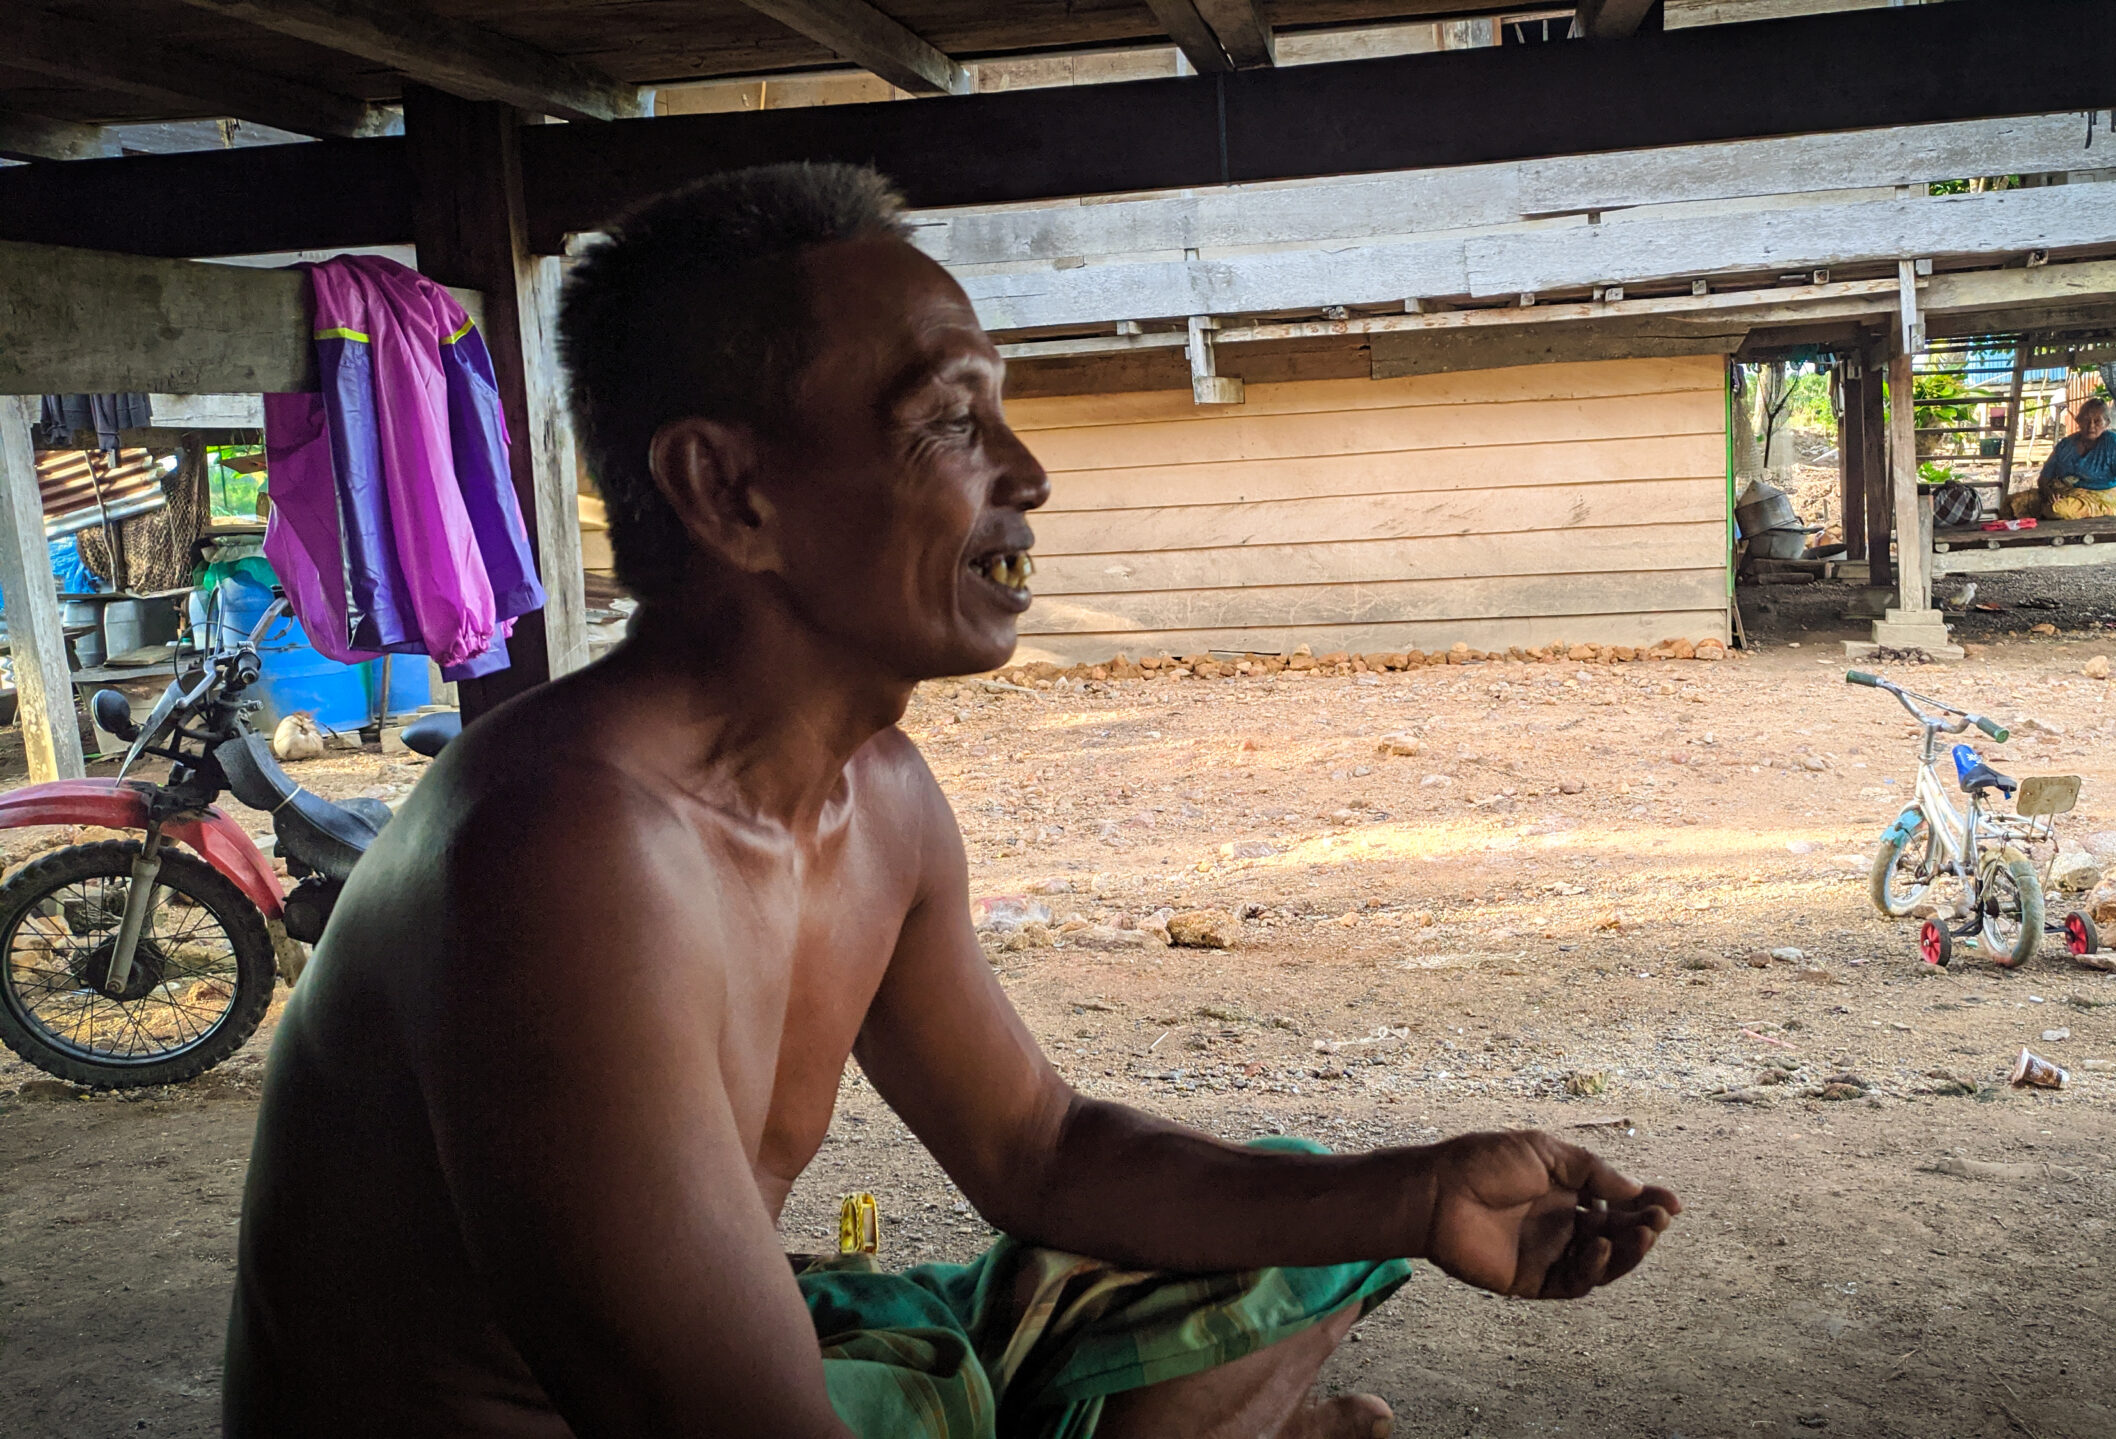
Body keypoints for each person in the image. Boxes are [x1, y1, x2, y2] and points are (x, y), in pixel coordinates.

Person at [223, 163, 1680, 1439]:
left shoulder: (882, 797)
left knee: (1295, 1215)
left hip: (721, 1386)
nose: (1028, 477)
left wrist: (1418, 1193)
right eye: (947, 424)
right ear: (730, 493)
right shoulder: (561, 849)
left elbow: (1035, 1148)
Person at [2011, 398, 2116, 520]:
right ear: (2078, 421)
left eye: (2097, 421)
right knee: (2013, 503)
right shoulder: (2066, 444)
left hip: (2101, 496)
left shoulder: (2111, 442)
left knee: (2057, 510)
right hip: (2065, 492)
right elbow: (2044, 478)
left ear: (2107, 423)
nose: (2091, 426)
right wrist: (2048, 493)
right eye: (2086, 420)